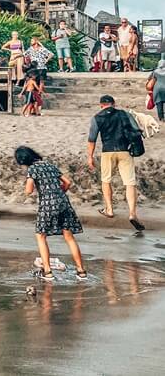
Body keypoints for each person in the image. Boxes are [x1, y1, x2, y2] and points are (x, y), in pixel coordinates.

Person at [15, 146, 87, 281]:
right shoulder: (50, 165)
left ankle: (47, 272)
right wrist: (59, 193)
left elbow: (28, 190)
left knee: (41, 236)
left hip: (48, 205)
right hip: (63, 202)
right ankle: (81, 271)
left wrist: (32, 188)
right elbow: (67, 182)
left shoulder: (32, 169)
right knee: (69, 237)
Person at [88, 94, 144, 231]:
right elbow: (136, 130)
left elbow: (92, 139)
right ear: (114, 103)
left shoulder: (97, 117)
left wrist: (89, 156)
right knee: (130, 183)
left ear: (101, 105)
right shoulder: (124, 114)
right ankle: (132, 213)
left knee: (106, 180)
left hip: (107, 152)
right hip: (125, 151)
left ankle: (109, 209)